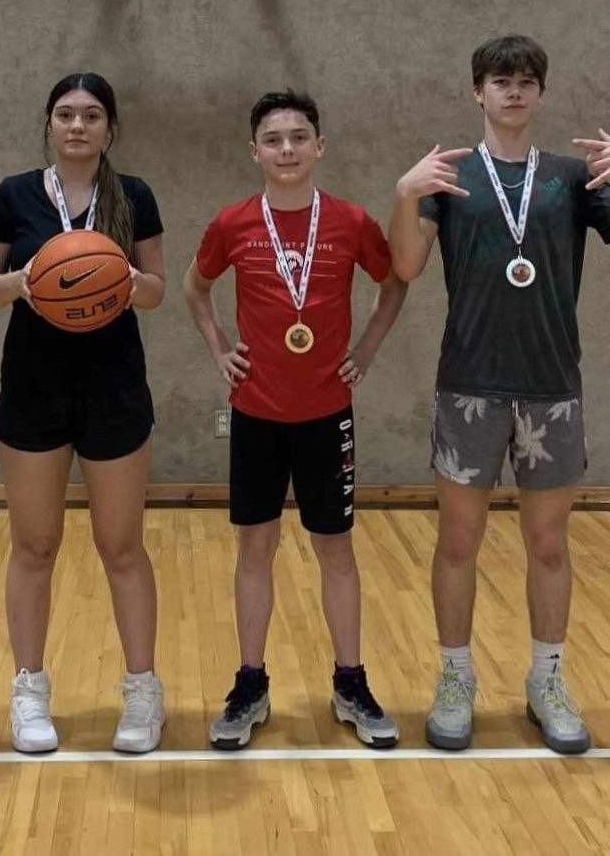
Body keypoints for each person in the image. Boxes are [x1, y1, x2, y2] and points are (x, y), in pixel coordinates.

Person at [390, 34, 610, 755]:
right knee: (459, 540)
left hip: (551, 388)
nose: (512, 92)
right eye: (499, 81)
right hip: (469, 386)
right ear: (476, 92)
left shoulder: (573, 177)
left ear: (540, 93)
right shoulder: (449, 176)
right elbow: (407, 265)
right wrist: (404, 193)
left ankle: (547, 680)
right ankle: (455, 679)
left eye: (524, 82)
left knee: (548, 544)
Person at [183, 90, 407, 750]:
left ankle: (350, 680)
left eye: (299, 137)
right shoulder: (231, 224)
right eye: (274, 139)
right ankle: (250, 682)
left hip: (327, 415)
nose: (287, 149)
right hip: (255, 413)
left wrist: (365, 348)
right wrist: (219, 347)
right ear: (255, 151)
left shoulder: (351, 221)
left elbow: (393, 282)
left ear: (319, 146)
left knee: (334, 549)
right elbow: (195, 288)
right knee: (256, 549)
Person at [0, 73, 165, 754]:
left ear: (110, 128)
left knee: (121, 546)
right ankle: (29, 691)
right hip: (32, 385)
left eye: (90, 116)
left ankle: (142, 693)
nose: (77, 125)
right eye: (65, 115)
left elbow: (158, 291)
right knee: (34, 545)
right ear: (49, 124)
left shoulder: (133, 195)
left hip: (113, 386)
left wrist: (125, 280)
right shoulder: (15, 194)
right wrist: (24, 283)